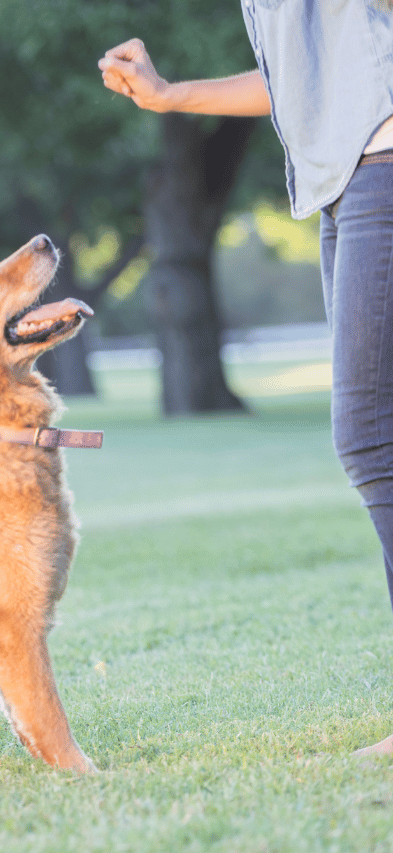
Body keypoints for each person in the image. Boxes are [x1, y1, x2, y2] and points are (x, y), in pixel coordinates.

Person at [99, 3, 393, 757]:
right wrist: (169, 94)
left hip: (385, 171)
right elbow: (299, 81)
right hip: (348, 181)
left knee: (370, 436)